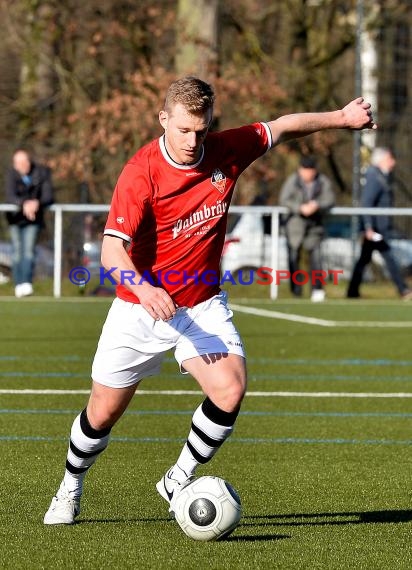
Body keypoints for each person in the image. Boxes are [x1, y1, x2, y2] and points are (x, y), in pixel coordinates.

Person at [44, 76, 376, 525]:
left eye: (200, 130)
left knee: (230, 388)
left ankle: (177, 478)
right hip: (138, 308)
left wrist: (341, 118)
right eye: (182, 130)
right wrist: (145, 289)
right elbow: (111, 251)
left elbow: (283, 126)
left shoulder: (226, 150)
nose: (192, 140)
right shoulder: (140, 172)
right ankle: (70, 486)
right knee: (101, 413)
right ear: (164, 119)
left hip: (200, 305)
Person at [347, 147, 412, 300]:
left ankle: (352, 291)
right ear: (381, 160)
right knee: (388, 258)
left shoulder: (381, 176)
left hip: (379, 228)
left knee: (364, 259)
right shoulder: (374, 177)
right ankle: (403, 290)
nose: (393, 163)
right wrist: (369, 227)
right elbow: (367, 202)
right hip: (375, 230)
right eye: (390, 159)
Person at [279, 155, 335, 302]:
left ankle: (317, 290)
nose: (309, 174)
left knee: (316, 258)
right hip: (295, 226)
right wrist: (300, 208)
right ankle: (296, 291)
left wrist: (317, 205)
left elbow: (330, 199)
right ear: (300, 170)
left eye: (311, 170)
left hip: (315, 226)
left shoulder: (323, 181)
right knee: (293, 258)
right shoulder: (293, 181)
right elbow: (284, 199)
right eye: (306, 170)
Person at [5, 149, 54, 297]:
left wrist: (36, 203)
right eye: (17, 163)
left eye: (22, 162)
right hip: (15, 219)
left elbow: (48, 196)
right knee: (17, 252)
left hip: (33, 220)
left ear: (28, 162)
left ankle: (26, 283)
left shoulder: (41, 172)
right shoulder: (11, 174)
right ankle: (18, 285)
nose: (19, 166)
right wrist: (24, 204)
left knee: (28, 251)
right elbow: (10, 195)